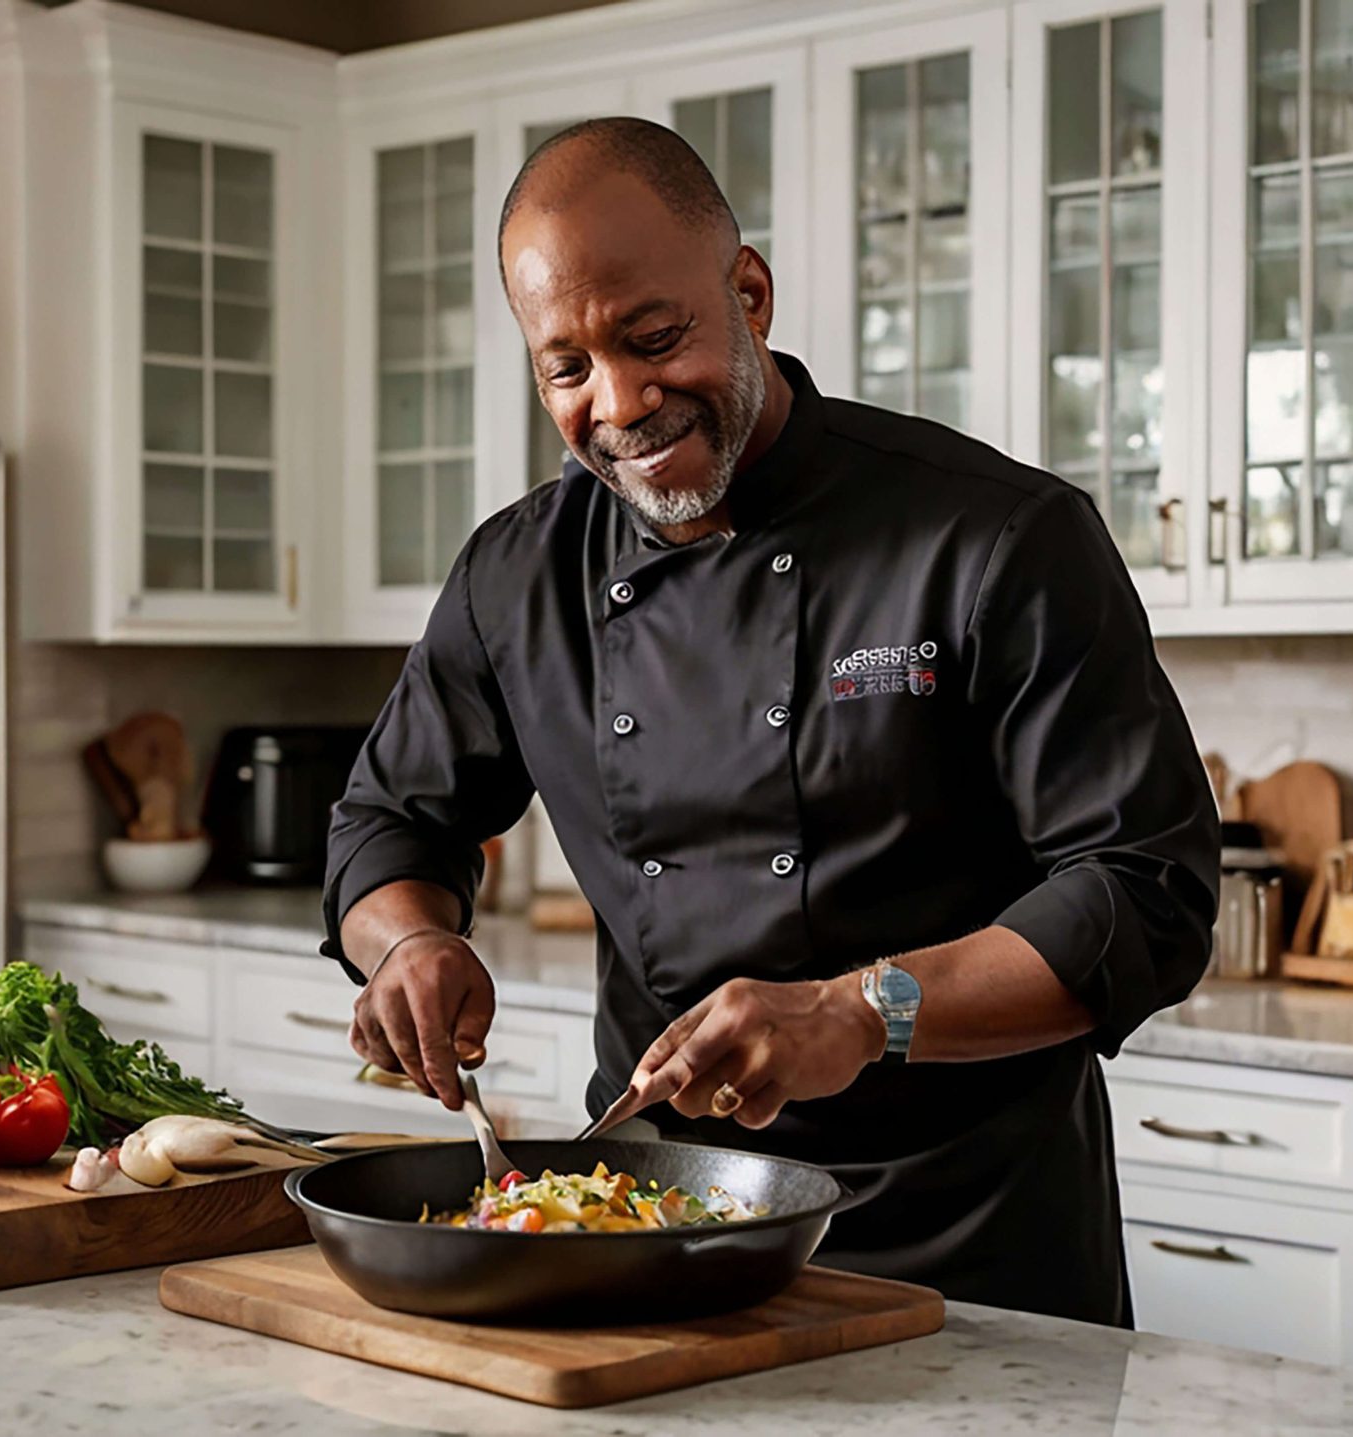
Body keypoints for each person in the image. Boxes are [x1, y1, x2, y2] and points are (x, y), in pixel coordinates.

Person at [318, 117, 1218, 1321]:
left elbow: (1142, 893)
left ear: (748, 293)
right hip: (649, 1226)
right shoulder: (517, 574)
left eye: (653, 339)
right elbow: (389, 821)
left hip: (963, 1248)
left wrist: (858, 1011)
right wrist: (407, 946)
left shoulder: (996, 538)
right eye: (566, 369)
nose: (620, 403)